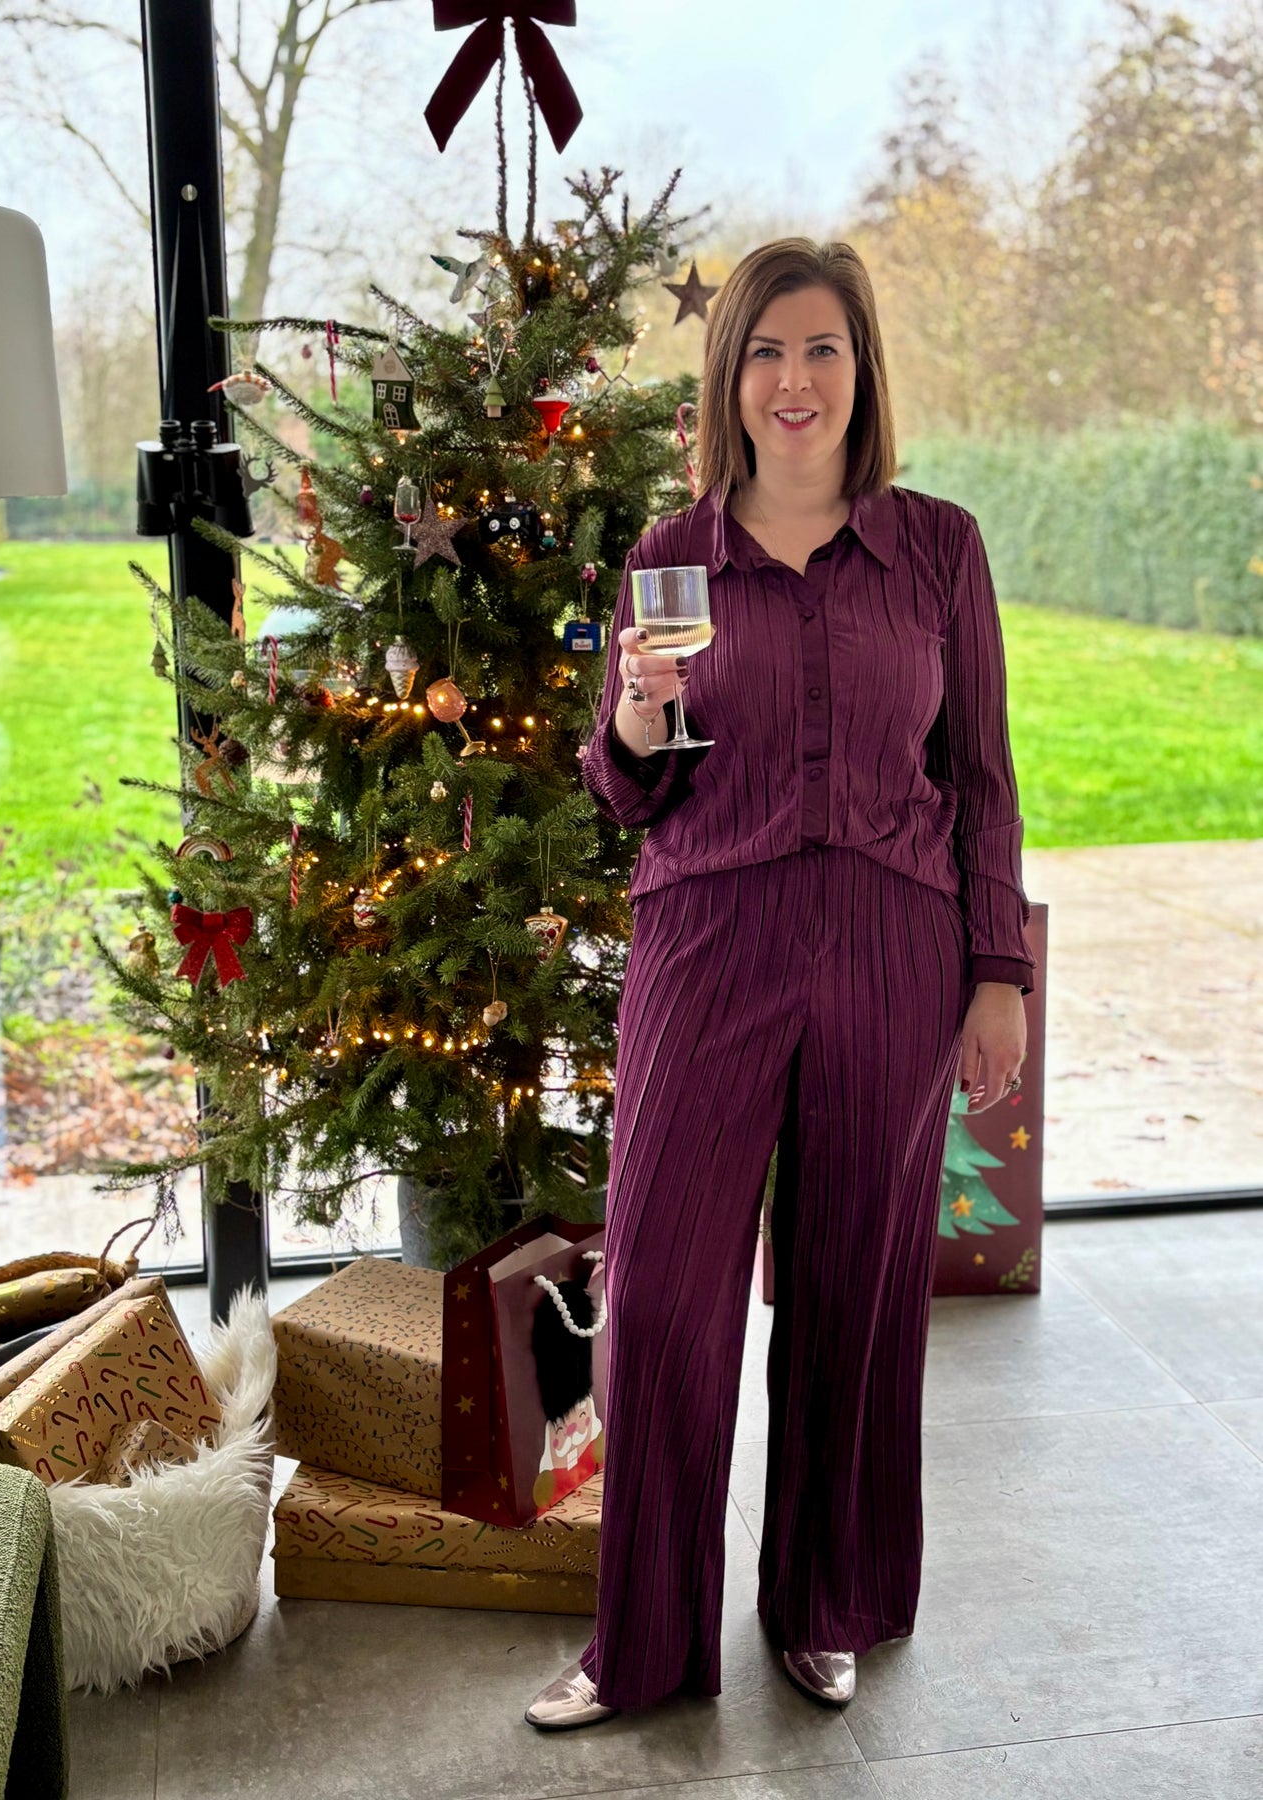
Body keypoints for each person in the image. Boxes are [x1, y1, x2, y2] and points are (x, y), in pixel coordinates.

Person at [525, 237, 1033, 1730]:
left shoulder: (937, 549)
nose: (794, 380)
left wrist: (996, 970)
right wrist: (634, 720)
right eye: (765, 351)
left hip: (893, 942)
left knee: (853, 1289)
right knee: (662, 1291)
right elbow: (630, 791)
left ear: (861, 369)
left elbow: (981, 779)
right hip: (708, 939)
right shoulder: (670, 554)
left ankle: (825, 1607)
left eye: (822, 349)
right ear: (727, 375)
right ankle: (643, 1645)